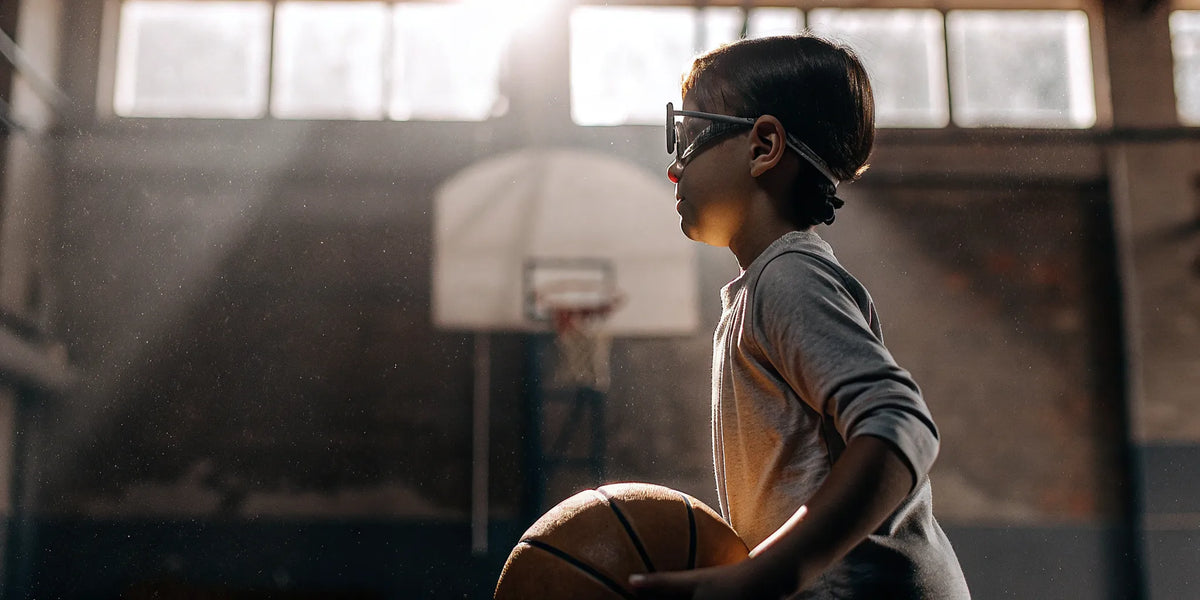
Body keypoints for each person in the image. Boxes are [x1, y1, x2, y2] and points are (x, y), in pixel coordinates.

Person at [629, 35, 971, 599]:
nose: (673, 168)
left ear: (764, 145)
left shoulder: (786, 277)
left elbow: (900, 426)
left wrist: (760, 577)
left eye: (688, 140)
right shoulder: (763, 287)